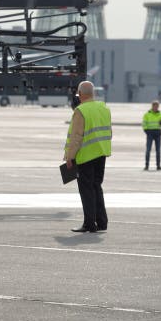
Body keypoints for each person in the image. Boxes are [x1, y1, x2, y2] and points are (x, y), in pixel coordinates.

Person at [64, 81, 112, 233]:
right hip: (101, 153)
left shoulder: (81, 111)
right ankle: (102, 222)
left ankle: (89, 224)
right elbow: (109, 132)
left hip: (85, 156)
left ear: (80, 94)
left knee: (86, 190)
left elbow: (76, 137)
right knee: (96, 186)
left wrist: (69, 157)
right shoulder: (104, 108)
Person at [142, 101, 161, 170]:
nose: (156, 107)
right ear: (152, 106)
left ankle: (158, 165)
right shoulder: (147, 114)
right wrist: (146, 131)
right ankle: (147, 165)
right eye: (155, 106)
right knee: (148, 150)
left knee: (158, 150)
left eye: (157, 106)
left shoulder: (160, 114)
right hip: (150, 133)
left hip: (157, 133)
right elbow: (144, 123)